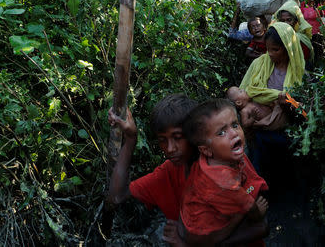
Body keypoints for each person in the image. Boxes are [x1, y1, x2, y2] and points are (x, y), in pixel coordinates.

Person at [106, 94, 198, 244]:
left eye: (177, 137)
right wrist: (130, 139)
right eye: (162, 140)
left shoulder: (215, 167)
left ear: (194, 133)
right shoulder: (168, 172)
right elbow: (116, 197)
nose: (170, 148)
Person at [179, 99, 269, 246]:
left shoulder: (217, 155)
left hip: (195, 213)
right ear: (206, 150)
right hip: (205, 232)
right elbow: (249, 207)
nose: (234, 133)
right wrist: (258, 212)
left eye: (235, 125)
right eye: (221, 132)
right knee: (259, 226)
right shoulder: (224, 183)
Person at [239, 22, 306, 176]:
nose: (270, 54)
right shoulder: (259, 63)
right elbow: (244, 93)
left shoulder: (299, 73)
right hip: (257, 130)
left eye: (275, 49)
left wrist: (286, 105)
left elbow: (302, 113)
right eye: (268, 49)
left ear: (289, 48)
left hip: (285, 132)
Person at [272, 0, 314, 68]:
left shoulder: (301, 39)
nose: (285, 23)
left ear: (295, 21)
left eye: (289, 20)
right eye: (282, 20)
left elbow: (304, 59)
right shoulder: (275, 37)